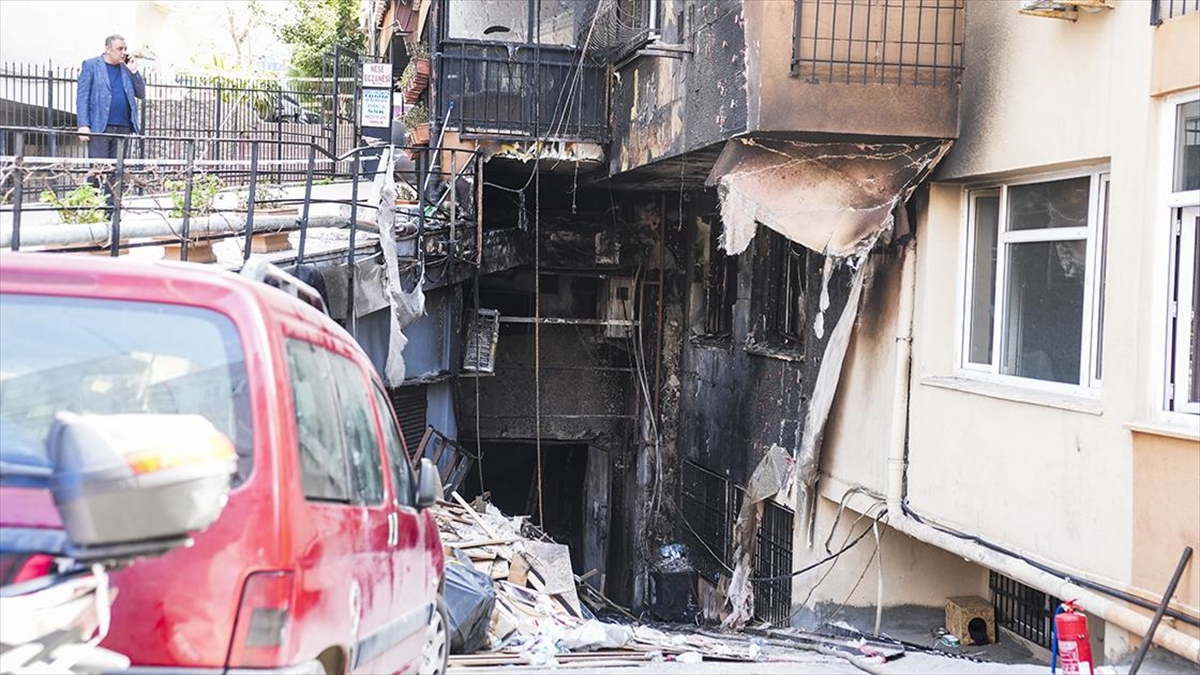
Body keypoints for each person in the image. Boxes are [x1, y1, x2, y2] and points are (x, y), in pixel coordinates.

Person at [76, 34, 145, 215]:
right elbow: (82, 97)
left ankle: (112, 214)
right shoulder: (91, 65)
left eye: (125, 48)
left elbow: (141, 93)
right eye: (119, 49)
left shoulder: (126, 68)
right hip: (100, 127)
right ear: (108, 49)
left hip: (123, 127)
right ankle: (94, 211)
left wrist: (134, 72)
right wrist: (83, 124)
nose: (124, 52)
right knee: (99, 171)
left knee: (117, 172)